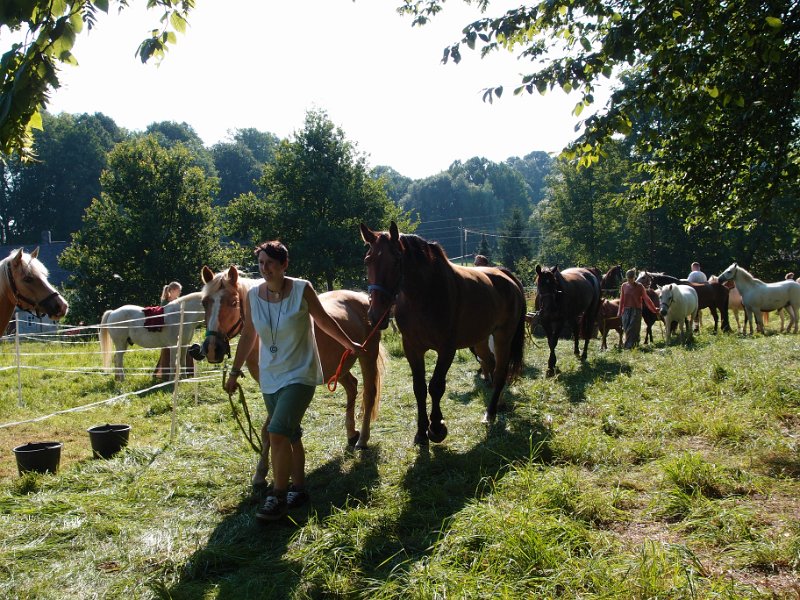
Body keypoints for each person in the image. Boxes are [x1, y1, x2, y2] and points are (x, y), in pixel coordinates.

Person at [223, 240, 364, 521]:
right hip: (270, 376)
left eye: (270, 263)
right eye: (261, 263)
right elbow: (249, 334)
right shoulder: (254, 297)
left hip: (300, 373)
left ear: (284, 264)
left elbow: (324, 321)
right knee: (291, 434)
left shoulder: (302, 288)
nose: (265, 269)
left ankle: (277, 495)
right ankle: (298, 488)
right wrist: (235, 371)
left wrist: (349, 344)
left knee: (276, 432)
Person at [618, 268, 659, 349]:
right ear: (626, 278)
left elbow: (646, 299)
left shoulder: (639, 286)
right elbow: (622, 299)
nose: (630, 281)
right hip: (626, 310)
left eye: (631, 279)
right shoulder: (624, 286)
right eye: (628, 279)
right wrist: (620, 311)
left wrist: (654, 309)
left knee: (632, 328)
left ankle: (628, 346)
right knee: (626, 328)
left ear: (634, 278)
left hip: (636, 311)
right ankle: (635, 343)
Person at [154, 281, 183, 379]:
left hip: (177, 329)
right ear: (173, 291)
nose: (180, 292)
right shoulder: (165, 302)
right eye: (179, 290)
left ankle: (180, 372)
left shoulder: (179, 301)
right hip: (167, 331)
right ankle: (165, 374)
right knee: (167, 351)